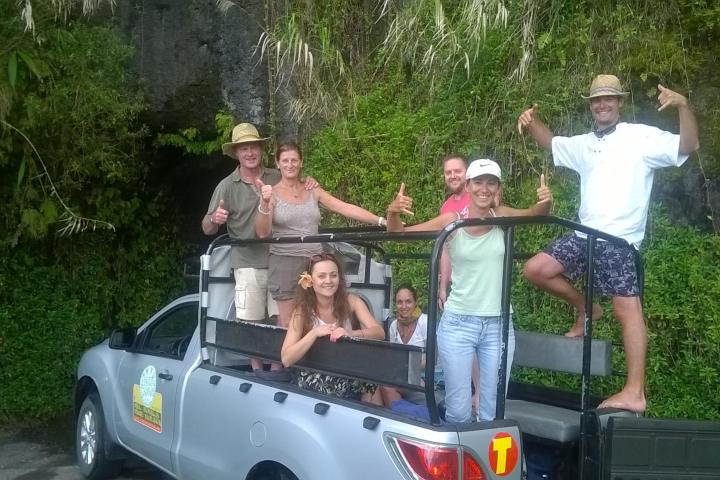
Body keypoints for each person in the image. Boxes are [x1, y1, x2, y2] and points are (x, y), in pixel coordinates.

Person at [517, 74, 699, 413]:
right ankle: (586, 308)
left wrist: (683, 106)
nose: (603, 104)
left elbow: (687, 146)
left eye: (609, 99)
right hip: (585, 234)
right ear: (591, 105)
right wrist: (532, 122)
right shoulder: (585, 144)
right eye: (597, 99)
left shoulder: (640, 137)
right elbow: (553, 143)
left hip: (619, 240)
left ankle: (635, 392)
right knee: (536, 269)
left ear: (619, 102)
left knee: (626, 308)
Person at [386, 159, 553, 423]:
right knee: (459, 411)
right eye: (478, 182)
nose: (484, 188)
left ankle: (488, 463)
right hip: (459, 324)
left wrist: (546, 200)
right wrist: (393, 212)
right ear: (468, 185)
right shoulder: (453, 221)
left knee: (492, 411)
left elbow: (536, 213)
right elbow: (400, 234)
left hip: (498, 325)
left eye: (491, 182)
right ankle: (459, 463)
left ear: (498, 188)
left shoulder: (503, 217)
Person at [202, 123, 317, 372]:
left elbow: (298, 185)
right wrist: (215, 219)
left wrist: (310, 183)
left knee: (282, 320)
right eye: (244, 148)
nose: (250, 152)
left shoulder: (276, 176)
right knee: (250, 320)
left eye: (253, 146)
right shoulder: (227, 186)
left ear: (262, 150)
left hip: (281, 259)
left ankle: (277, 369)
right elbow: (206, 228)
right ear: (236, 153)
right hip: (247, 262)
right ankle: (257, 371)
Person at [255, 142, 387, 337]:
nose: (290, 165)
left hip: (314, 262)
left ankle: (316, 364)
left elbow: (343, 207)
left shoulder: (312, 189)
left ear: (301, 163)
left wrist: (381, 220)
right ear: (277, 164)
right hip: (284, 261)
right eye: (285, 160)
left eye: (294, 160)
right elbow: (263, 232)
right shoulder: (270, 193)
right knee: (288, 321)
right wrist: (265, 203)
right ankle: (289, 365)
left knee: (317, 316)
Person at [280, 252, 385, 404]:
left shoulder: (352, 301)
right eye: (321, 276)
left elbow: (379, 332)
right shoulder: (302, 310)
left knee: (370, 368)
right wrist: (314, 333)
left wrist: (351, 333)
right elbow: (286, 359)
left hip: (346, 370)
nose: (328, 281)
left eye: (333, 275)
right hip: (315, 374)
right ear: (310, 280)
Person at [380, 284, 442, 407]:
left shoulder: (425, 322)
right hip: (404, 377)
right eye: (399, 302)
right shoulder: (394, 326)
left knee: (386, 386)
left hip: (428, 378)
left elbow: (433, 360)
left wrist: (408, 367)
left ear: (415, 302)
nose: (403, 306)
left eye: (408, 301)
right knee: (377, 384)